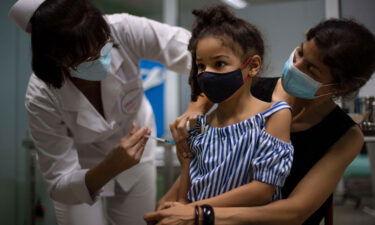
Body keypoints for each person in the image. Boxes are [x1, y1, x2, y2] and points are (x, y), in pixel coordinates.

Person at [144, 18, 375, 225]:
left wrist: (198, 212)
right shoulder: (253, 88)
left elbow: (295, 212)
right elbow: (205, 156)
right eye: (301, 52)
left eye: (311, 68)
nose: (296, 66)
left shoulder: (344, 135)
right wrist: (174, 198)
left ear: (340, 87)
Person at [8, 0, 208, 224]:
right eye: (87, 58)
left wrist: (196, 108)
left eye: (103, 45)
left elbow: (203, 55)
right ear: (57, 59)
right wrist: (110, 165)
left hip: (138, 157)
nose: (100, 56)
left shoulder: (123, 29)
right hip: (81, 171)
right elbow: (59, 183)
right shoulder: (42, 94)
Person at [166, 5, 293, 209]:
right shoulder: (200, 125)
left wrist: (192, 211)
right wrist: (177, 203)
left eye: (219, 64)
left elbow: (262, 191)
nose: (206, 73)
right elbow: (188, 188)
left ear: (252, 66)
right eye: (201, 66)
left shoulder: (274, 115)